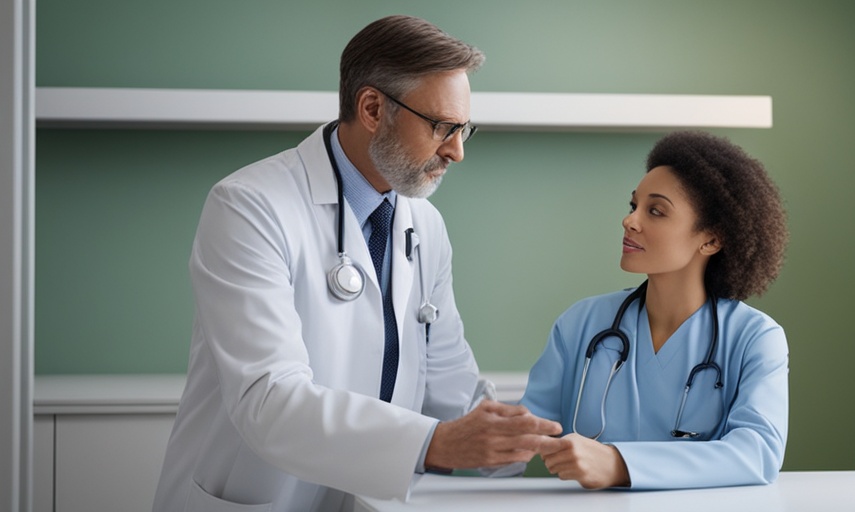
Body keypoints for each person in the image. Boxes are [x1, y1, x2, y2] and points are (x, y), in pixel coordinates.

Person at [153, 15, 560, 511]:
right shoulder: (249, 206)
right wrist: (432, 444)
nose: (456, 151)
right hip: (258, 498)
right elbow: (268, 400)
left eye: (464, 129)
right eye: (441, 127)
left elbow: (451, 390)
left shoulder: (424, 226)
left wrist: (533, 444)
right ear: (372, 108)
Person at [523, 131, 789, 490]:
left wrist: (619, 464)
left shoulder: (755, 338)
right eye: (634, 206)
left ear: (711, 239)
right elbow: (524, 434)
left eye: (656, 211)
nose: (630, 221)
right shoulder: (580, 324)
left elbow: (757, 452)